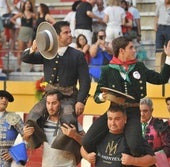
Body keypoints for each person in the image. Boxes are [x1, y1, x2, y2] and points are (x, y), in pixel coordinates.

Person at [82, 36, 170, 156]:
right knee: (87, 141)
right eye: (131, 47)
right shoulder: (107, 70)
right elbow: (97, 96)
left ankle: (147, 158)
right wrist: (103, 96)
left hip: (133, 111)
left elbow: (161, 79)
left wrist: (169, 57)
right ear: (122, 51)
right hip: (113, 111)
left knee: (135, 147)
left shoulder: (139, 67)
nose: (134, 50)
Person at [22, 21, 90, 146]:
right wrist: (33, 48)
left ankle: (66, 149)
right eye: (66, 32)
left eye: (70, 32)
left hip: (68, 97)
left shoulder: (78, 55)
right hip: (49, 96)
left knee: (69, 121)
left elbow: (85, 81)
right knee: (32, 117)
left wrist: (81, 101)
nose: (70, 35)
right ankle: (36, 143)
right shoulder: (47, 53)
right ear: (57, 36)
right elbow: (26, 58)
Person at [23, 90, 85, 167]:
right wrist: (26, 136)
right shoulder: (42, 122)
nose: (50, 107)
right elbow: (30, 146)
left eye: (54, 103)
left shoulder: (71, 122)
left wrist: (74, 135)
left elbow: (86, 143)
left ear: (61, 103)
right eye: (48, 103)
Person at [81, 105, 156, 167]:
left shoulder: (132, 137)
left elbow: (152, 159)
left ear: (125, 119)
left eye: (117, 119)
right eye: (110, 119)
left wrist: (133, 161)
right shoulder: (101, 134)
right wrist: (87, 156)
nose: (113, 123)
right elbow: (83, 147)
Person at [0, 90, 24, 167]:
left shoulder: (13, 117)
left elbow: (28, 138)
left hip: (6, 160)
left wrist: (14, 153)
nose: (4, 100)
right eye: (1, 98)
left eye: (6, 99)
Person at [10, 0, 36, 72]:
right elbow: (12, 19)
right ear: (24, 5)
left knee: (31, 50)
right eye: (26, 4)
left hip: (30, 32)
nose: (28, 5)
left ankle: (32, 67)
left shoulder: (33, 14)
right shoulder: (21, 14)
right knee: (20, 51)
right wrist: (19, 25)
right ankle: (19, 67)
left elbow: (37, 21)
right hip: (22, 32)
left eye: (29, 4)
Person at [154, 0, 170, 72]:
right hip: (160, 28)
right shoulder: (160, 5)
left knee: (169, 49)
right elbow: (156, 16)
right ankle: (158, 71)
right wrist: (155, 25)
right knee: (158, 50)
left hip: (169, 27)